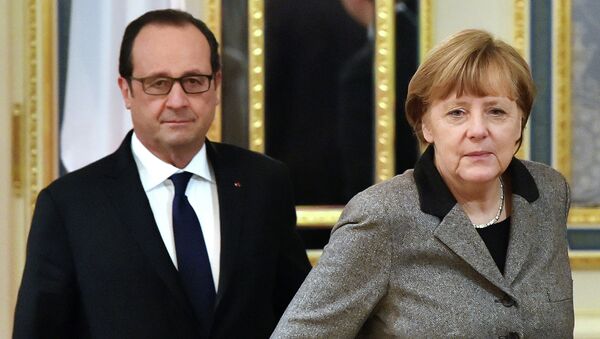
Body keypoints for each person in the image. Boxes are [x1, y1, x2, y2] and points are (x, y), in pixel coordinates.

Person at [14, 9, 311, 339]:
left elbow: (301, 317)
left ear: (217, 86)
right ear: (126, 91)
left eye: (194, 81)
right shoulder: (69, 205)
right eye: (158, 84)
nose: (178, 100)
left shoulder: (264, 183)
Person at [272, 29, 573, 338]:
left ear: (520, 121)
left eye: (496, 111)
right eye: (457, 113)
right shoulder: (381, 217)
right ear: (425, 124)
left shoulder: (549, 193)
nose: (478, 130)